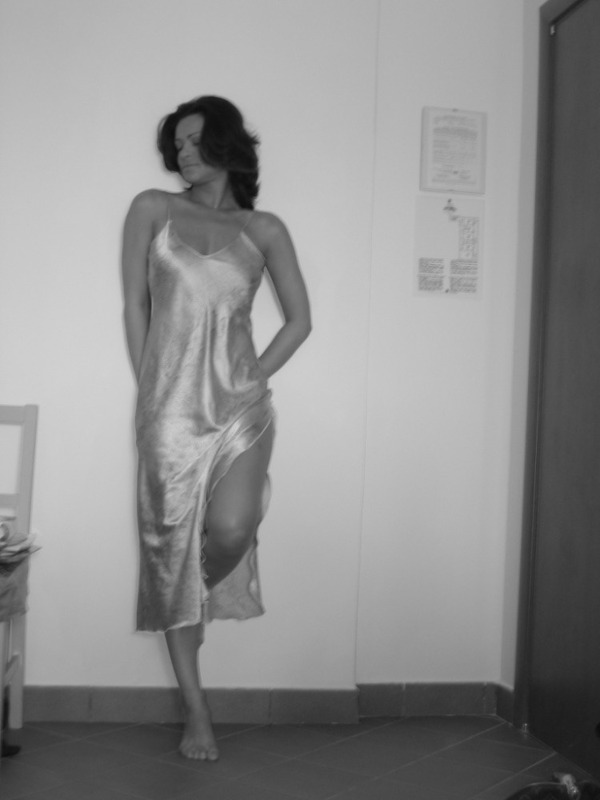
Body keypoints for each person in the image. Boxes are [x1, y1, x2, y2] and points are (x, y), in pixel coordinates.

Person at [121, 95, 311, 761]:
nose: (183, 152)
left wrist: (254, 373)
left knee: (231, 529)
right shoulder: (152, 209)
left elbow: (300, 321)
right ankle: (196, 711)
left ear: (227, 143)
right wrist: (152, 389)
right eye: (176, 143)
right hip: (169, 412)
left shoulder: (265, 228)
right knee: (170, 549)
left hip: (241, 409)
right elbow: (135, 304)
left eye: (195, 139)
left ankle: (189, 600)